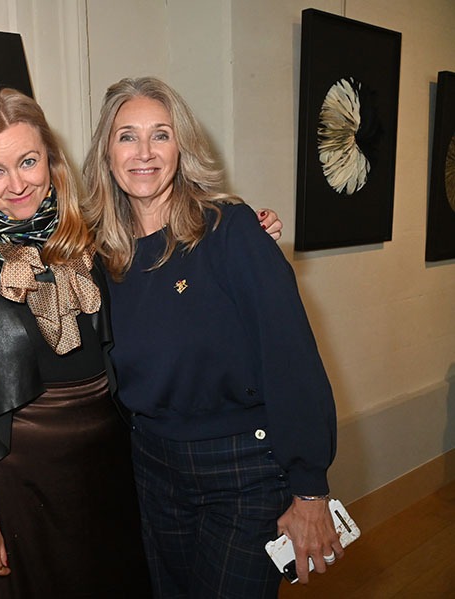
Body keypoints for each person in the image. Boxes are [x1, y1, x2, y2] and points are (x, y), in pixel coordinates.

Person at [82, 76, 340, 598]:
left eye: (161, 134)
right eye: (127, 136)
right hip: (151, 469)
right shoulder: (98, 253)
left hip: (243, 473)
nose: (144, 153)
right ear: (106, 153)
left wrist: (309, 490)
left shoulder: (231, 231)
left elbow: (292, 361)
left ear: (183, 146)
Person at [0, 88, 151, 598]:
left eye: (28, 161)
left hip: (113, 468)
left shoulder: (96, 242)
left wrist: (240, 224)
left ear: (51, 160)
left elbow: (170, 243)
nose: (17, 185)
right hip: (22, 479)